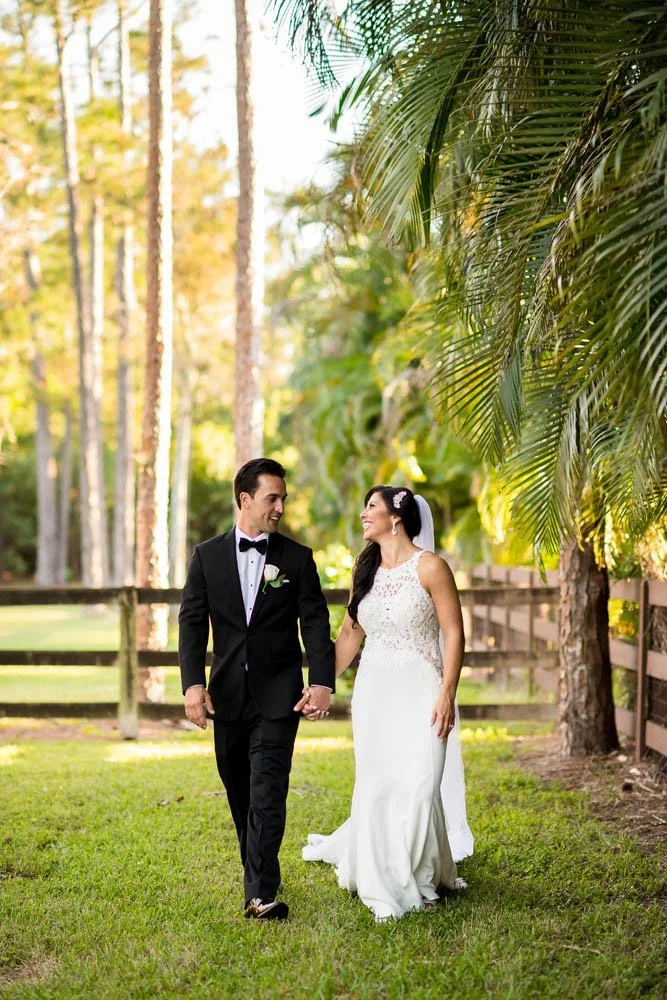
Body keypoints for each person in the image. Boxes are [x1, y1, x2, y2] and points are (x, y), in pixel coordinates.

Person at [302, 485, 474, 921]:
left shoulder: (431, 567)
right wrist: (318, 685)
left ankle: (418, 874)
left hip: (422, 689)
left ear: (396, 517)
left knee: (420, 783)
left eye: (371, 507)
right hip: (375, 693)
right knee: (381, 784)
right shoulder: (366, 573)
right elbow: (347, 639)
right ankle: (396, 874)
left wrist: (447, 692)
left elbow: (454, 633)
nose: (363, 515)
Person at [178, 458, 335, 921]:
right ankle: (260, 866)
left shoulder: (297, 558)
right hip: (225, 694)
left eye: (283, 498)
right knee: (239, 788)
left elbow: (315, 621)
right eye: (272, 498)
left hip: (277, 695)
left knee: (268, 789)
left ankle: (260, 894)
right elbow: (191, 624)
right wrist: (192, 685)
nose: (280, 507)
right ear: (245, 500)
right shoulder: (206, 556)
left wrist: (321, 681)